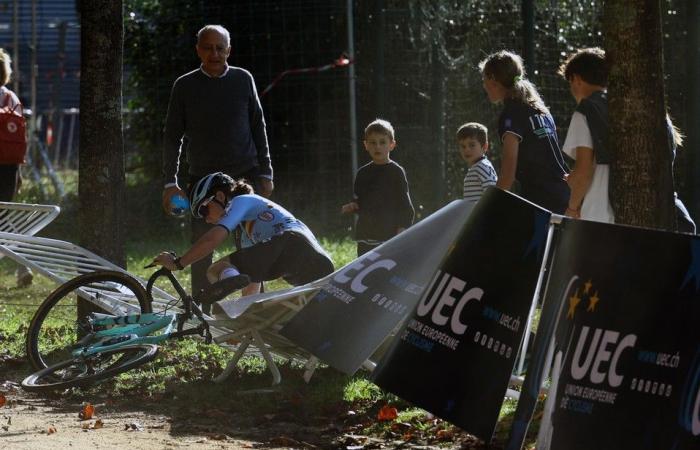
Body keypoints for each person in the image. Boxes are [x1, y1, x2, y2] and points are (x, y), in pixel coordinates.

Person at [161, 24, 273, 299]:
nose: (214, 53)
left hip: (245, 176)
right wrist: (169, 182)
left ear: (229, 50)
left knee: (253, 243)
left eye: (220, 48)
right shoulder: (184, 85)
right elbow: (172, 137)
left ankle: (255, 306)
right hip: (203, 179)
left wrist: (266, 172)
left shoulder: (243, 79)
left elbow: (259, 126)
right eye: (208, 47)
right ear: (198, 50)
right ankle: (201, 308)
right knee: (202, 247)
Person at [154, 172, 334, 295]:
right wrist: (242, 320)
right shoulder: (248, 231)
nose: (206, 219)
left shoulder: (242, 200)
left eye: (203, 210)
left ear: (220, 196)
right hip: (318, 263)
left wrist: (178, 263)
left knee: (215, 270)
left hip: (290, 243)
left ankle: (225, 286)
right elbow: (251, 284)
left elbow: (212, 240)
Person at [479, 50, 570, 214]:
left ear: (493, 80)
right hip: (564, 193)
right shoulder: (541, 110)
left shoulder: (511, 114)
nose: (483, 84)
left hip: (542, 200)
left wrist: (487, 209)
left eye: (484, 79)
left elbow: (508, 174)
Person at [341, 119, 415, 257]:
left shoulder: (396, 172)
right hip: (366, 236)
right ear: (366, 145)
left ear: (392, 144)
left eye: (382, 142)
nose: (377, 147)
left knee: (387, 274)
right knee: (365, 273)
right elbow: (360, 201)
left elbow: (405, 205)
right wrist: (353, 205)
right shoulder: (362, 173)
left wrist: (402, 228)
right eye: (373, 143)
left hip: (389, 237)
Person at [557, 47, 614, 223]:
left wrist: (572, 208)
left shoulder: (586, 110)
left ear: (576, 79)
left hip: (599, 213)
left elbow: (584, 170)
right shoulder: (624, 104)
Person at [0, 48, 32, 288]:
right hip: (9, 166)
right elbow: (19, 137)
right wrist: (18, 171)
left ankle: (23, 266)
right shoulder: (11, 98)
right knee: (4, 216)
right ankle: (23, 266)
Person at [456, 122, 497, 202]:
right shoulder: (478, 167)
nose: (466, 150)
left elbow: (493, 194)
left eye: (472, 145)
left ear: (484, 147)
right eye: (463, 146)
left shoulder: (481, 167)